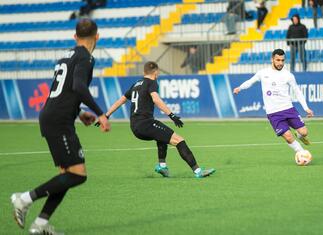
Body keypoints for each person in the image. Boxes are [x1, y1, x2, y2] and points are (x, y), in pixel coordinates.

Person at [10, 19, 110, 235]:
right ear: (97, 37)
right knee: (78, 175)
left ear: (74, 37)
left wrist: (80, 113)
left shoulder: (66, 56)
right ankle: (24, 199)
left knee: (67, 174)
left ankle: (41, 224)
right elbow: (78, 86)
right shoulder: (86, 57)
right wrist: (101, 113)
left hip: (54, 116)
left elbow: (64, 92)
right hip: (58, 121)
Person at [98, 61, 216, 178]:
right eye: (157, 73)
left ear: (144, 72)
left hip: (134, 126)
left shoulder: (136, 84)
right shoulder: (152, 82)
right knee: (179, 140)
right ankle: (198, 171)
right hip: (145, 124)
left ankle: (162, 166)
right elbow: (156, 99)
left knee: (162, 136)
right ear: (155, 72)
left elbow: (120, 101)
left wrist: (106, 115)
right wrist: (172, 115)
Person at [233, 49, 314, 158]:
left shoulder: (288, 75)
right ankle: (301, 153)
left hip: (289, 109)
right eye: (278, 60)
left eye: (282, 60)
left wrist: (306, 108)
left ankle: (300, 135)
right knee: (288, 137)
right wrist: (240, 88)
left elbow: (297, 92)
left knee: (304, 132)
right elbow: (250, 81)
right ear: (272, 59)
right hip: (273, 113)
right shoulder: (263, 73)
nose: (280, 63)